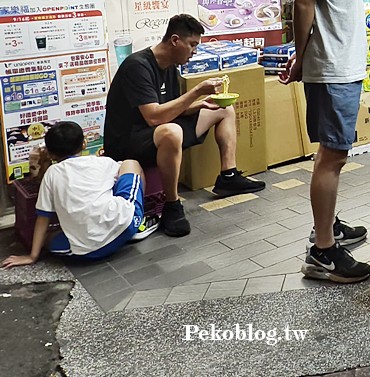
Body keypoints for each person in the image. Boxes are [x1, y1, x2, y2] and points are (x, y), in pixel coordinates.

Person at [282, 0, 370, 284]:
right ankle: (323, 252)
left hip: (341, 64)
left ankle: (328, 227)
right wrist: (300, 56)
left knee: (333, 154)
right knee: (332, 156)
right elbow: (304, 2)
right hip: (331, 66)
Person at [104, 15, 265, 237]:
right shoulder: (137, 66)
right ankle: (172, 205)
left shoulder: (170, 67)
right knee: (172, 131)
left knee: (222, 109)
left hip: (160, 131)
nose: (194, 52)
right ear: (175, 40)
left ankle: (228, 176)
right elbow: (154, 118)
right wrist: (197, 91)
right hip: (129, 142)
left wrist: (201, 104)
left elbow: (172, 109)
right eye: (192, 45)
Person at [2, 122, 151, 268]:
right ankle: (140, 223)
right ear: (84, 144)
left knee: (48, 239)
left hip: (83, 252)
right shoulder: (102, 162)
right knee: (131, 163)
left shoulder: (51, 173)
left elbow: (43, 218)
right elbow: (122, 175)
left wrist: (32, 257)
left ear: (51, 153)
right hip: (125, 228)